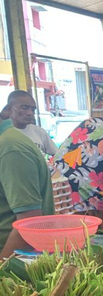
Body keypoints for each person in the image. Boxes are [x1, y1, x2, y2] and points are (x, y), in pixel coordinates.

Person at [0, 95, 55, 259]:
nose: (30, 113)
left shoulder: (11, 148)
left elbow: (29, 222)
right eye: (25, 107)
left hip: (10, 258)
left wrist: (2, 270)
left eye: (32, 109)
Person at [5, 91, 58, 155]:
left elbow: (57, 156)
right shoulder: (4, 133)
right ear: (9, 109)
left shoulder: (39, 132)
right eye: (24, 108)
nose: (30, 113)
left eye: (33, 110)